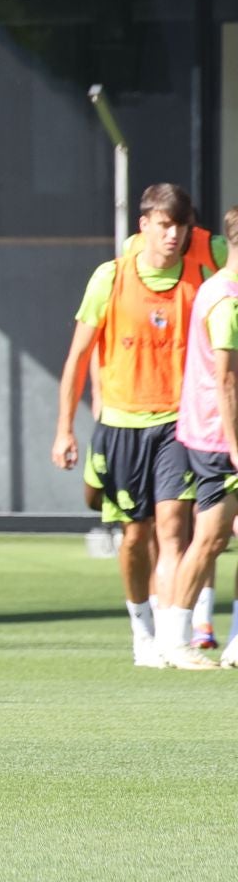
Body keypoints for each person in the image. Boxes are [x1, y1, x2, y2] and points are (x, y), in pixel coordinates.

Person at [52, 184, 224, 668]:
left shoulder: (205, 260)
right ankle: (142, 630)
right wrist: (65, 429)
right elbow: (77, 356)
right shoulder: (111, 277)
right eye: (164, 225)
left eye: (181, 226)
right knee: (135, 536)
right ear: (144, 224)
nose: (173, 235)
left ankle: (175, 640)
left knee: (174, 528)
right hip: (122, 424)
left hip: (179, 423)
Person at [166, 204, 238, 670]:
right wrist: (235, 447)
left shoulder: (217, 289)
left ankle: (234, 643)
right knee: (209, 538)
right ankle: (173, 640)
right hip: (219, 436)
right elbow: (226, 380)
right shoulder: (227, 298)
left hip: (212, 431)